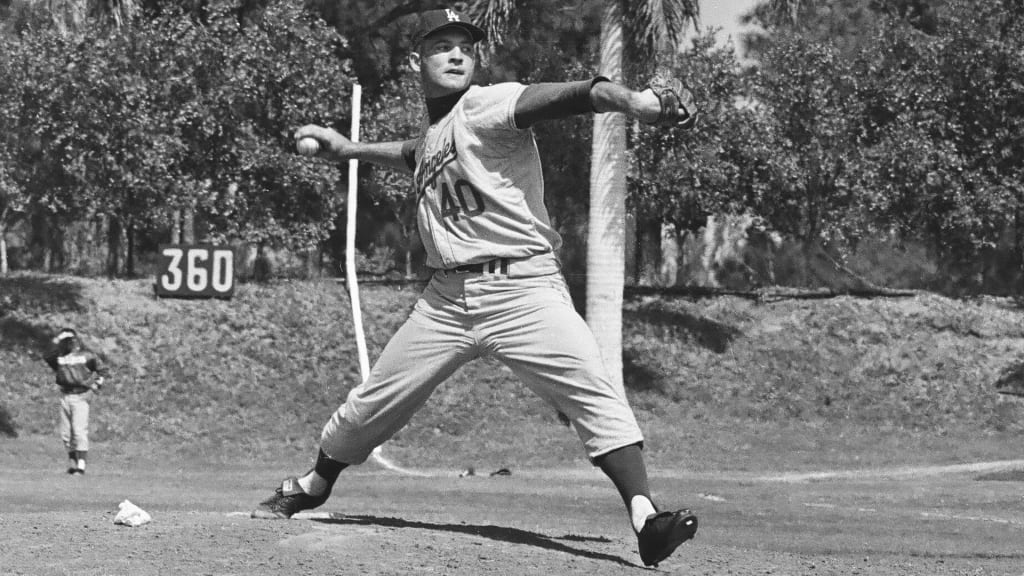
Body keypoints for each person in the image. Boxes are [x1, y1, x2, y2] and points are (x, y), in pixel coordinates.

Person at [253, 7, 698, 567]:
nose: (457, 54)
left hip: (523, 290)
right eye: (442, 45)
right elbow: (414, 153)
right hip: (446, 302)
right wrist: (349, 151)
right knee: (371, 405)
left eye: (465, 46)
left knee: (591, 388)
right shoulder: (438, 136)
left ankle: (645, 518)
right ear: (416, 61)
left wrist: (633, 102)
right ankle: (314, 485)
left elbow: (574, 94)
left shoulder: (489, 104)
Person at [44, 328, 109, 475]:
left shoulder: (86, 355)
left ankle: (81, 466)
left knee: (79, 431)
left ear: (75, 340)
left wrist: (96, 386)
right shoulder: (60, 357)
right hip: (65, 396)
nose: (66, 343)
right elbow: (47, 355)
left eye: (68, 340)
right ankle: (72, 463)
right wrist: (57, 338)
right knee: (66, 434)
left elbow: (103, 370)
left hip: (80, 396)